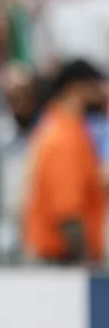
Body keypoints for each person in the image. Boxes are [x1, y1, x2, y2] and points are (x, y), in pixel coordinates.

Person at [23, 59, 107, 265]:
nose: (102, 95)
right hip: (62, 261)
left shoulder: (64, 129)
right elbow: (68, 211)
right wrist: (85, 263)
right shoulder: (64, 136)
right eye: (95, 87)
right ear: (76, 89)